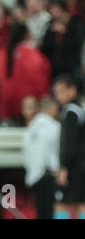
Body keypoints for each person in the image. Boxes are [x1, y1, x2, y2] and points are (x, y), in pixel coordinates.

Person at [52, 75, 85, 219]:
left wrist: (64, 167)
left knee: (61, 205)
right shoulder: (80, 108)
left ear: (72, 90)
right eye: (56, 92)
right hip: (81, 165)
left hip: (73, 166)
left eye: (61, 91)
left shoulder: (71, 112)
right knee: (81, 205)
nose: (58, 96)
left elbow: (69, 143)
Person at [23, 98, 60, 219]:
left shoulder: (30, 127)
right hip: (48, 173)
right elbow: (53, 150)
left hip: (33, 175)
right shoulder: (54, 126)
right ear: (51, 109)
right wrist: (55, 167)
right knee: (50, 210)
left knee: (39, 210)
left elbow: (26, 152)